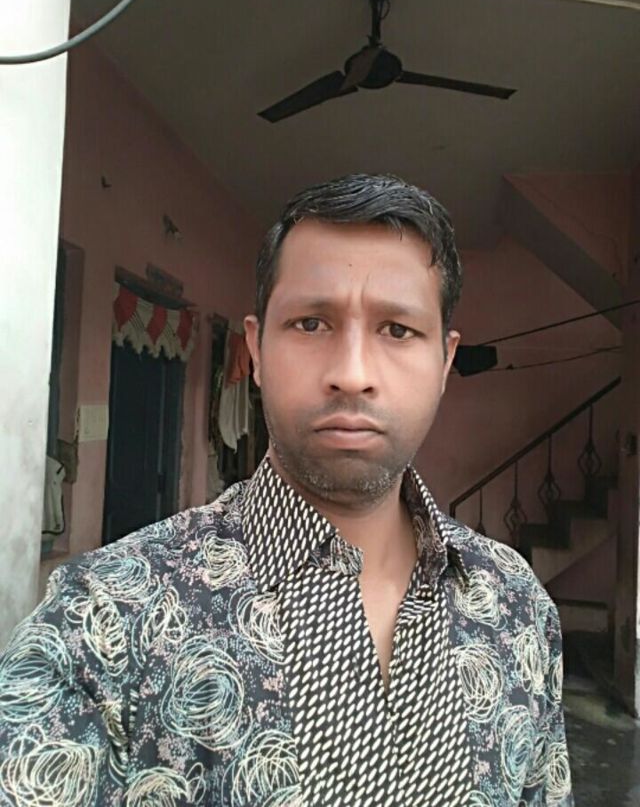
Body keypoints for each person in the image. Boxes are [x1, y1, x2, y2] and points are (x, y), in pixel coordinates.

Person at [0, 173, 573, 806]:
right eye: (310, 323)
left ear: (444, 361)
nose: (352, 374)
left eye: (397, 330)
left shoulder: (516, 604)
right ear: (256, 349)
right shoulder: (104, 619)